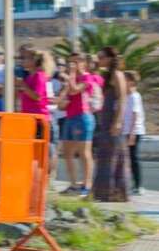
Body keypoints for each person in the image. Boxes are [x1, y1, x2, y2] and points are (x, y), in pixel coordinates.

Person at [92, 46, 128, 202]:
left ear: (109, 58)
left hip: (113, 121)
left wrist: (118, 121)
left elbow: (122, 99)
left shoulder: (118, 75)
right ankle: (102, 193)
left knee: (114, 157)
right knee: (104, 156)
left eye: (101, 57)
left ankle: (114, 193)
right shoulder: (107, 75)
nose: (98, 61)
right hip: (105, 120)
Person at [60, 52, 95, 197]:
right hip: (70, 116)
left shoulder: (87, 77)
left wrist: (72, 74)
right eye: (70, 63)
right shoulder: (71, 78)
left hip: (82, 117)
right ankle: (73, 184)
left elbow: (75, 90)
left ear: (82, 62)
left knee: (84, 152)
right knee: (68, 153)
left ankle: (87, 184)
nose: (71, 65)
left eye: (74, 62)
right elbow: (65, 97)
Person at [123, 71, 146, 196]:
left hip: (134, 132)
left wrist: (132, 134)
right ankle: (130, 184)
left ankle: (138, 185)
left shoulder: (134, 96)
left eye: (125, 79)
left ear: (131, 81)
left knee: (134, 158)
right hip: (125, 131)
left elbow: (135, 115)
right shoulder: (125, 96)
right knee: (127, 159)